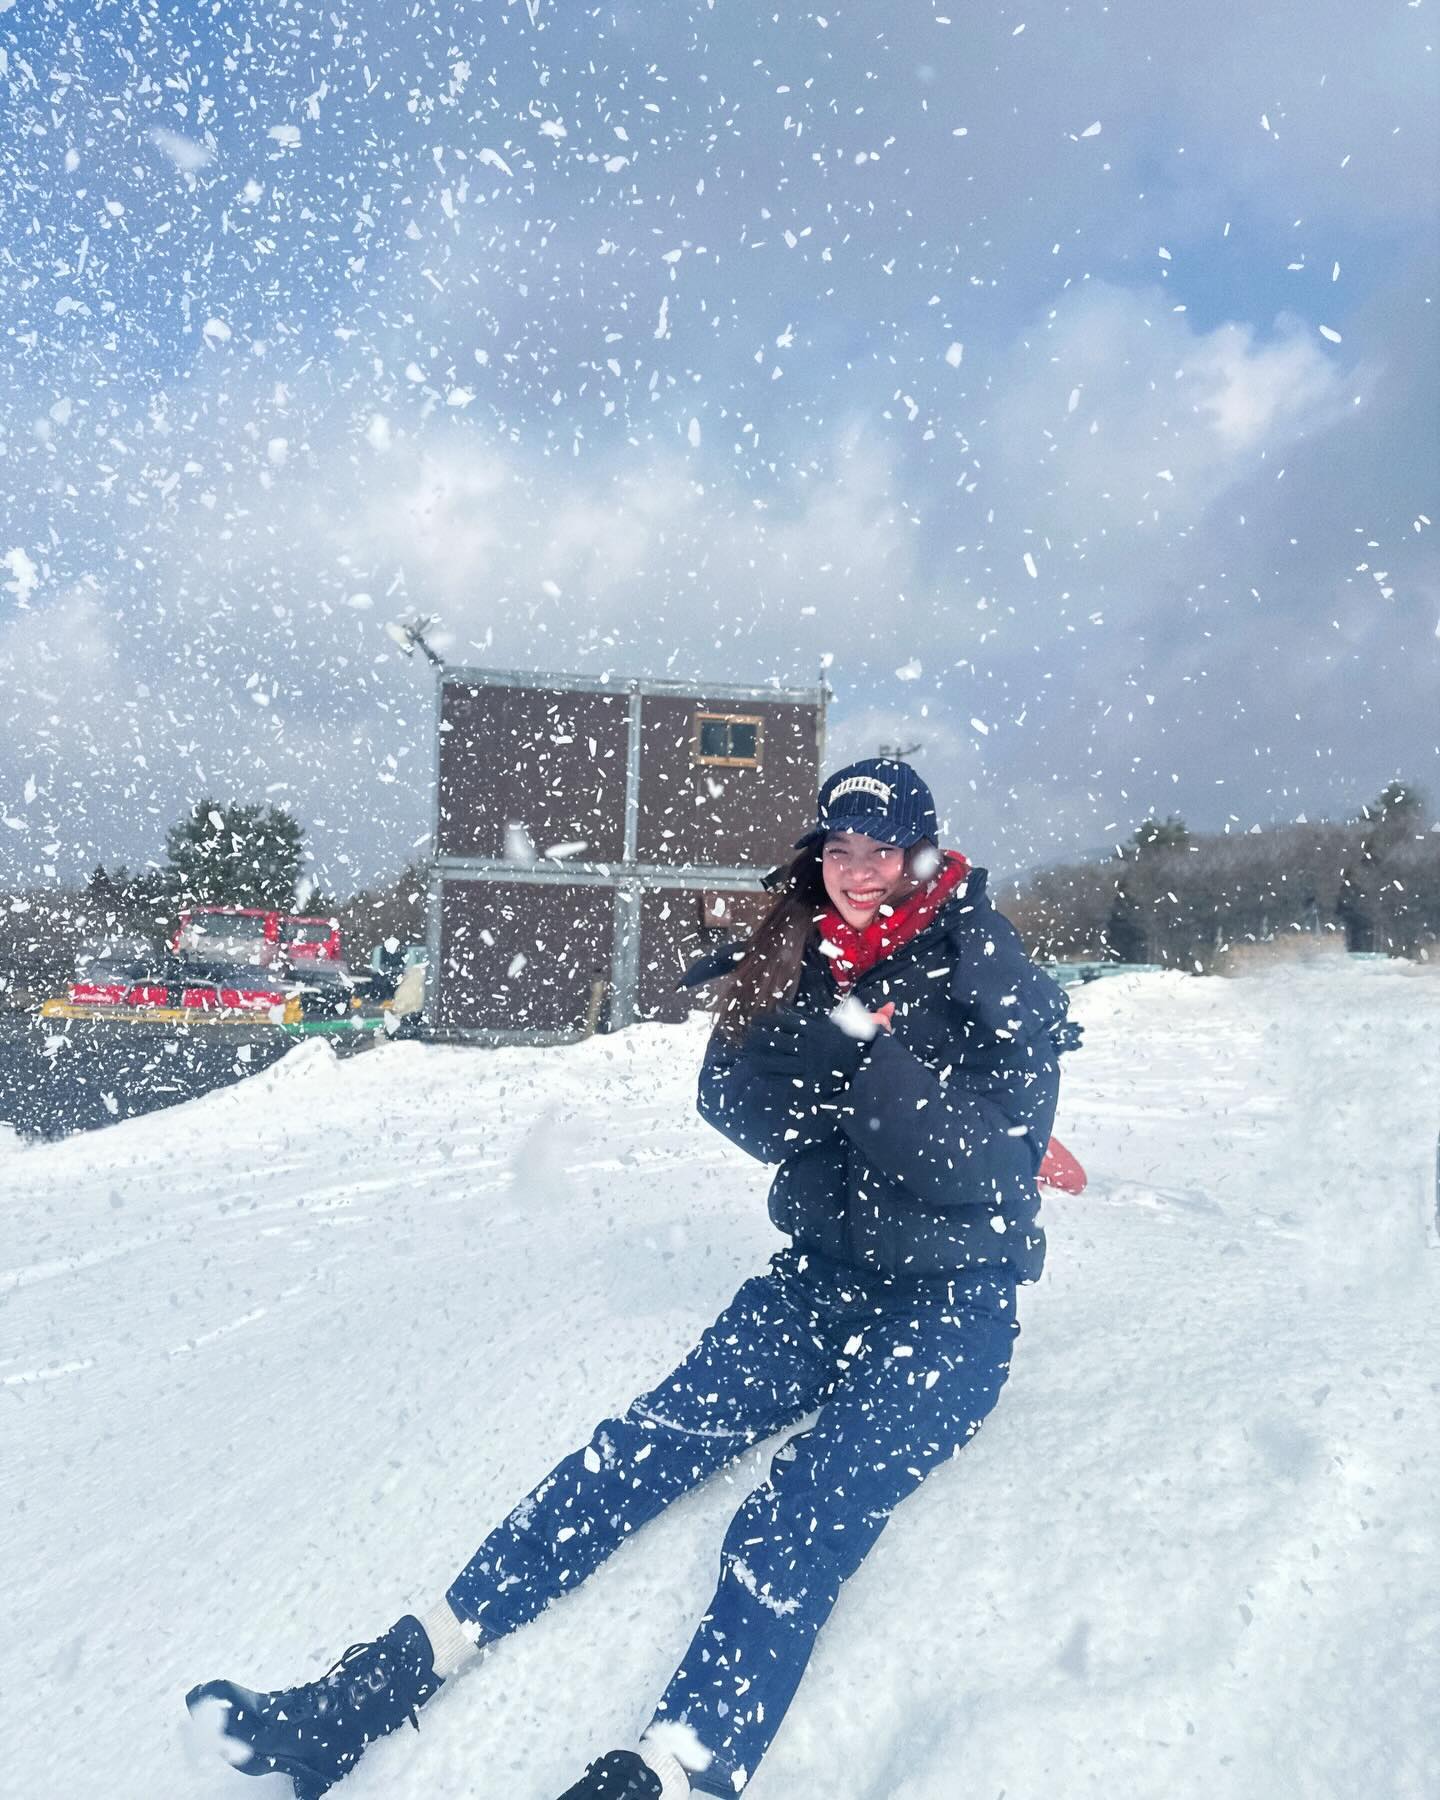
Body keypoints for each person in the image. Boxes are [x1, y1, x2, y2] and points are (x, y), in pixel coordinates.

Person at [187, 758, 1074, 1800]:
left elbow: (983, 1162)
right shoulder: (808, 951)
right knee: (635, 1452)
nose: (856, 872)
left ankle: (672, 1775)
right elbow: (743, 1115)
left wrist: (862, 1060)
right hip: (823, 1278)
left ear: (921, 853)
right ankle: (385, 1679)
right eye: (839, 850)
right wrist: (788, 1045)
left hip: (952, 1309)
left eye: (880, 851)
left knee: (795, 1520)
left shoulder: (987, 969)